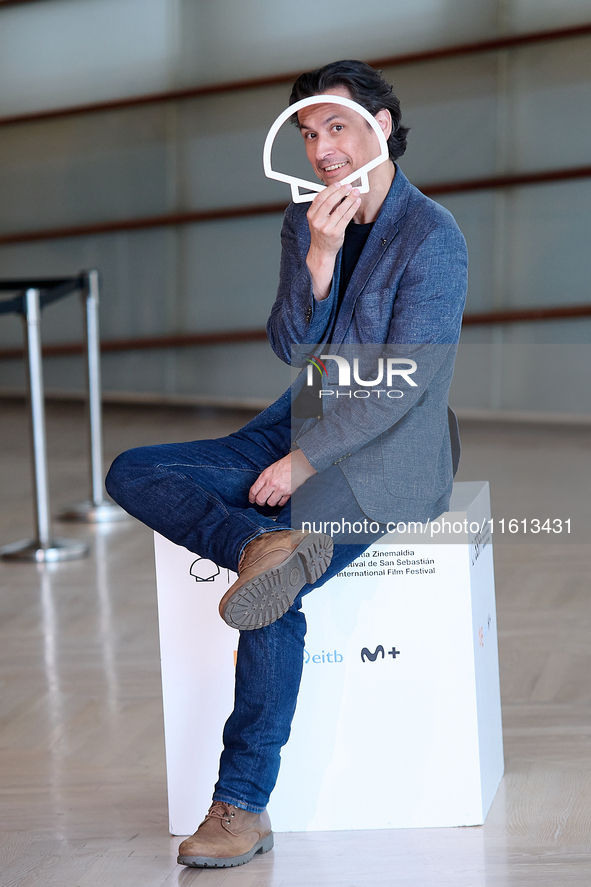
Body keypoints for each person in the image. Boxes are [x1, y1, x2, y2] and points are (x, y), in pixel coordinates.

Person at [106, 59, 468, 868]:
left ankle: (240, 805)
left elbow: (406, 382)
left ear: (380, 123)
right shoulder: (306, 219)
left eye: (336, 126)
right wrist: (317, 257)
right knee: (133, 468)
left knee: (275, 598)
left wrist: (306, 462)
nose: (321, 148)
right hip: (293, 418)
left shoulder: (431, 236)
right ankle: (253, 546)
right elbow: (288, 348)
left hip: (388, 451)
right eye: (308, 133)